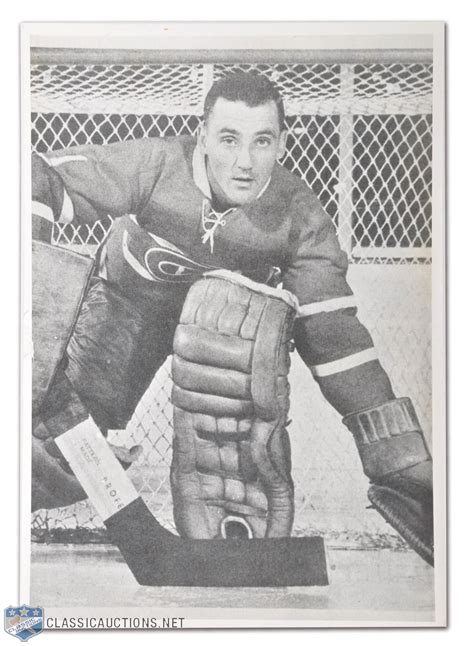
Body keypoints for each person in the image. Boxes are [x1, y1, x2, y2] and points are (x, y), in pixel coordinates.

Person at [32, 72, 433, 563]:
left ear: (283, 142)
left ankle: (229, 539)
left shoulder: (300, 215)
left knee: (245, 329)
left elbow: (334, 334)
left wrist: (397, 458)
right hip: (127, 307)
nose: (245, 162)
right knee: (52, 449)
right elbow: (36, 176)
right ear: (201, 135)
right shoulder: (157, 163)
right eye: (228, 139)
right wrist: (27, 282)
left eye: (262, 141)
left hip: (221, 337)